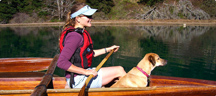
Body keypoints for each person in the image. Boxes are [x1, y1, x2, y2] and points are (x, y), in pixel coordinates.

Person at [57, 3, 126, 88]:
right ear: (78, 18)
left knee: (116, 78)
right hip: (78, 80)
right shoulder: (75, 36)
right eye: (88, 16)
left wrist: (108, 49)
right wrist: (86, 72)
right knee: (119, 70)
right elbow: (61, 62)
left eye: (91, 16)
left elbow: (89, 53)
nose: (91, 18)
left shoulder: (80, 34)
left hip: (80, 75)